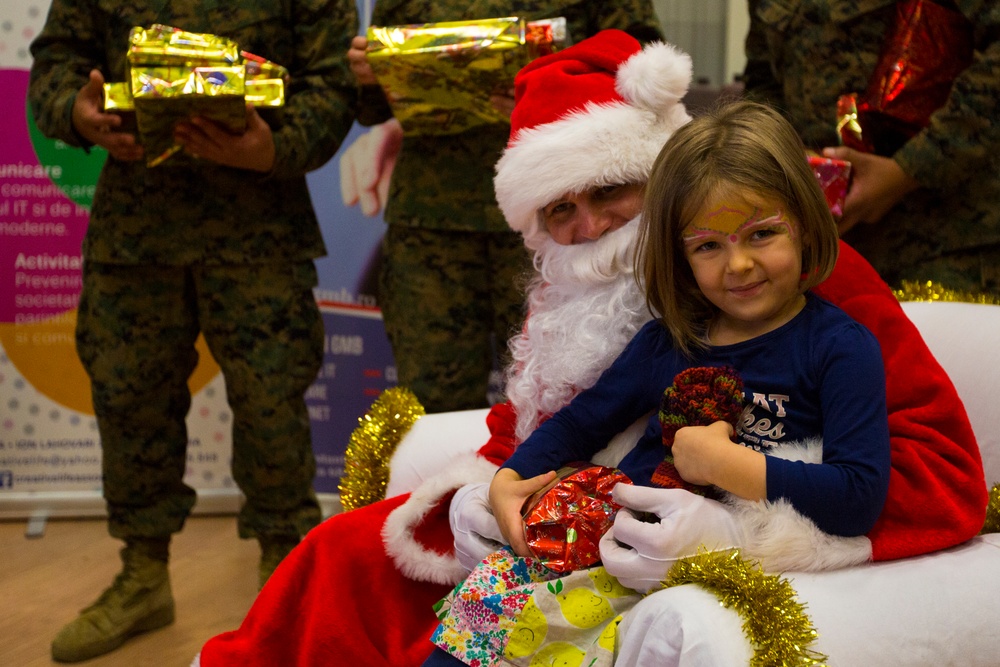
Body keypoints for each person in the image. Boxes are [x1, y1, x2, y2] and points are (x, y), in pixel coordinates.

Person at [195, 29, 985, 667]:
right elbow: (557, 424)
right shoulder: (624, 313)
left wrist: (734, 529)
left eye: (611, 192)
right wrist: (490, 490)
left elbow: (930, 475)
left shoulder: (807, 289)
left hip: (663, 553)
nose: (589, 229)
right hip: (555, 535)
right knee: (346, 556)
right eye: (559, 210)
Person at [422, 99, 893, 666]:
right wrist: (512, 477)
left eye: (762, 234)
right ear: (680, 256)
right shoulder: (667, 341)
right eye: (709, 247)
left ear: (805, 224)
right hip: (598, 540)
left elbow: (859, 497)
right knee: (466, 634)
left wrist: (726, 466)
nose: (738, 265)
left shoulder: (840, 348)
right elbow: (579, 422)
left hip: (698, 568)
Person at [28, 1, 358, 662]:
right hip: (136, 231)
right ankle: (143, 576)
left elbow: (332, 84)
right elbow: (55, 69)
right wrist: (79, 113)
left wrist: (272, 146)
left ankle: (285, 580)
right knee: (130, 403)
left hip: (260, 228)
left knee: (271, 406)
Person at [340, 3, 664, 412]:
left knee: (573, 389)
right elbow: (370, 107)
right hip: (433, 219)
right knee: (433, 401)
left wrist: (553, 94)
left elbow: (642, 63)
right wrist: (371, 73)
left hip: (567, 218)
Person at [742, 0, 1000, 294]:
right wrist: (788, 154)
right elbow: (762, 77)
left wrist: (910, 168)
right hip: (819, 242)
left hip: (948, 236)